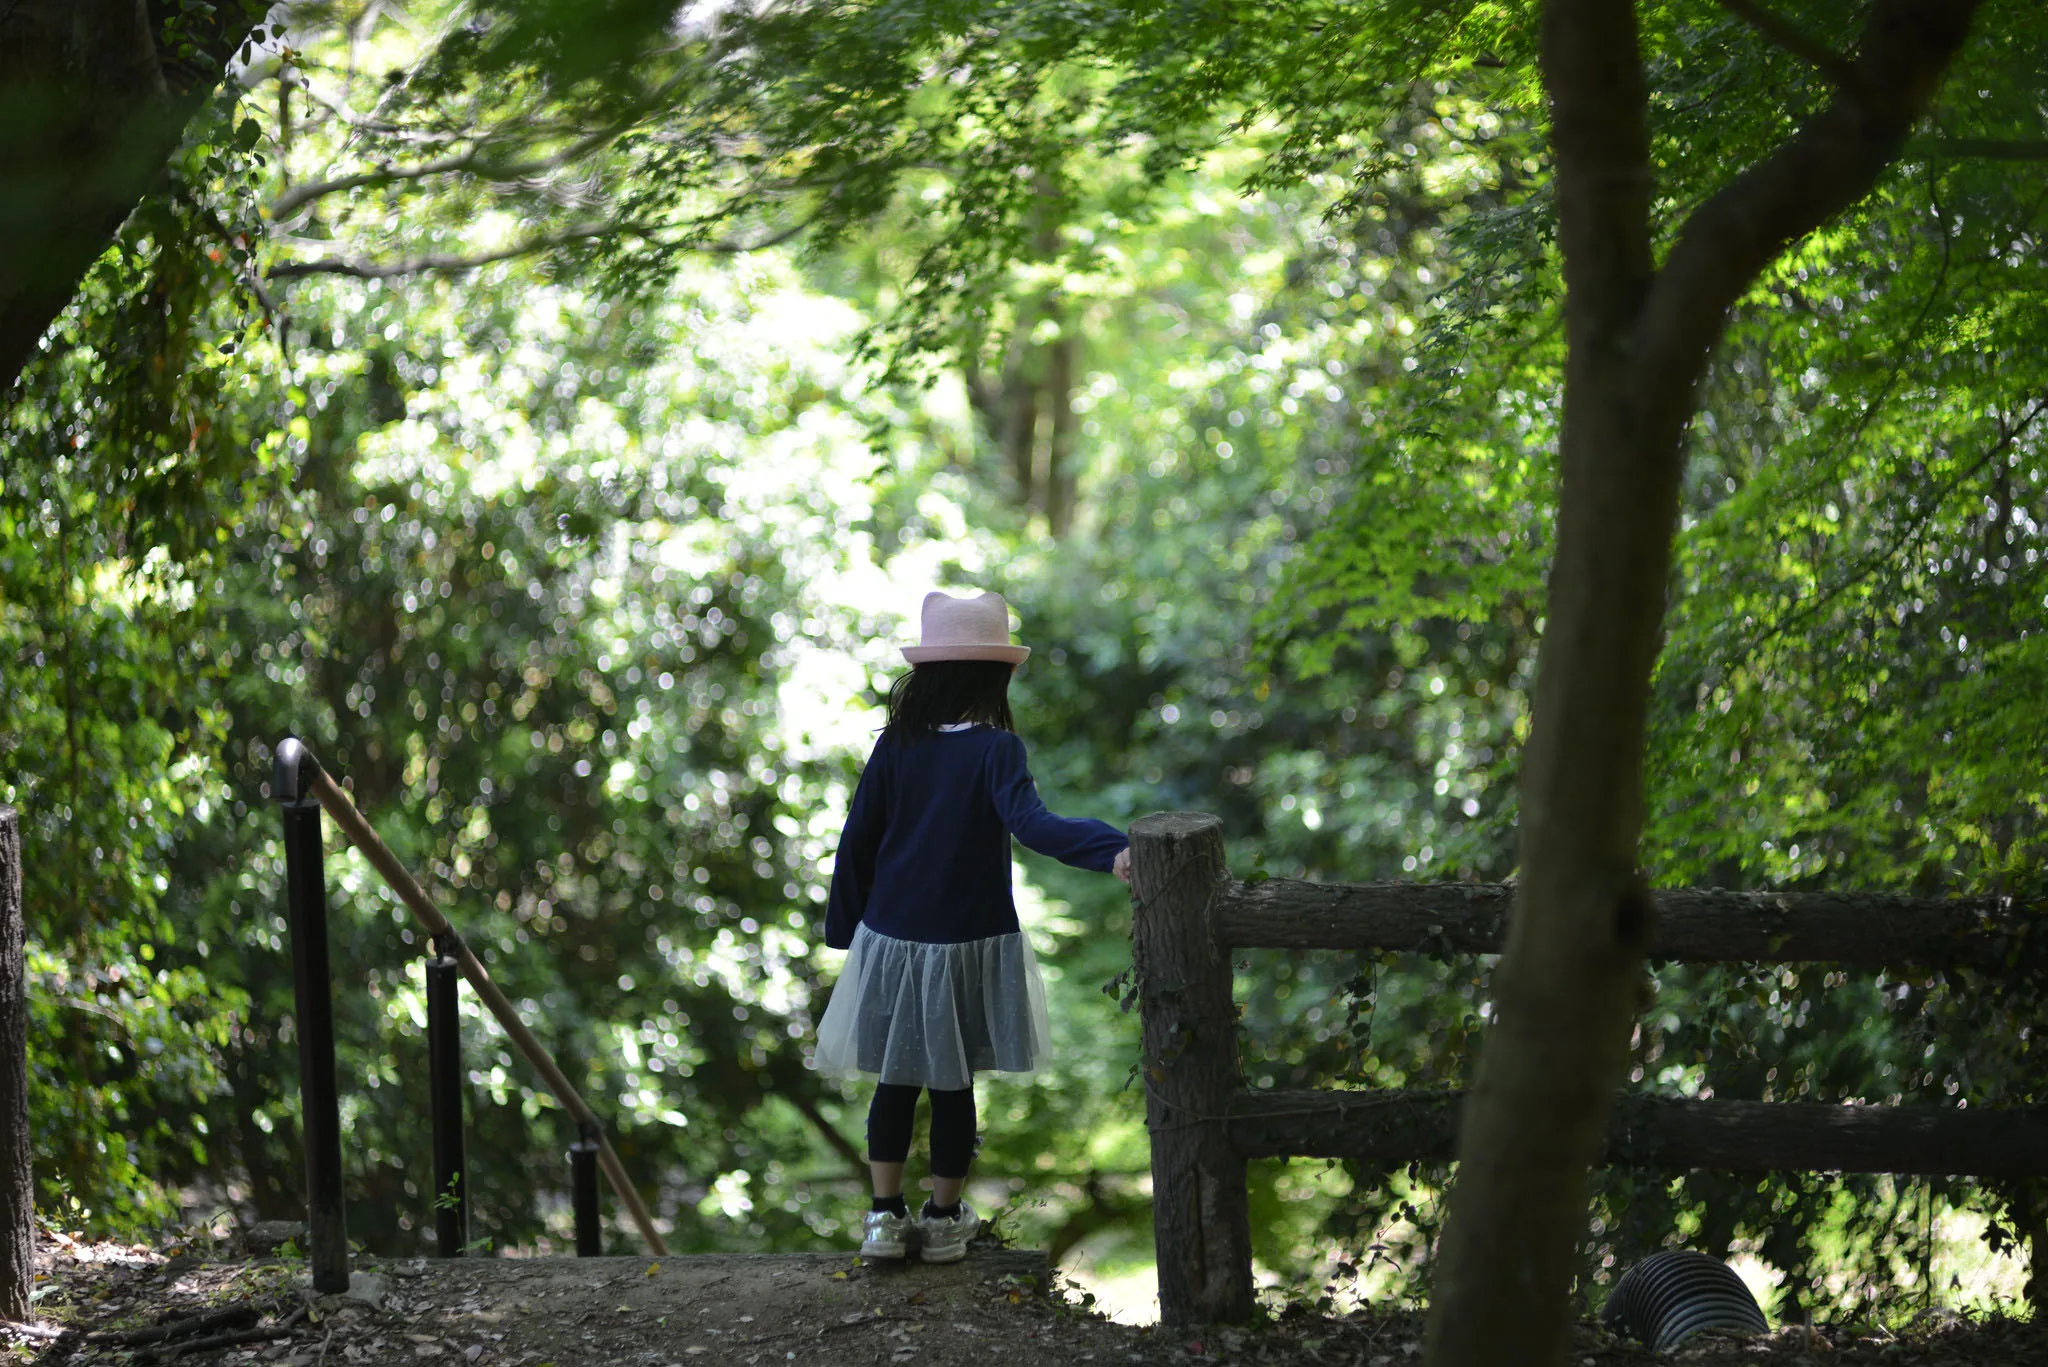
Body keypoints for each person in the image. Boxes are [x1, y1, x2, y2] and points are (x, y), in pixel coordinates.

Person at [814, 589, 1133, 1263]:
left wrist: (842, 928)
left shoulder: (899, 745)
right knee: (953, 1086)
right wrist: (1114, 850)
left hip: (892, 939)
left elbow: (858, 838)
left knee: (894, 1081)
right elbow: (1036, 826)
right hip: (967, 942)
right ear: (995, 674)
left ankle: (882, 1218)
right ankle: (942, 1218)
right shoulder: (998, 750)